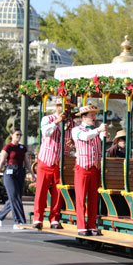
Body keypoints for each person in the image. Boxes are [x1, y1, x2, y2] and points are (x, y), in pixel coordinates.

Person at [33, 97, 75, 230]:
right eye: (63, 106)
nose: (66, 109)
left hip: (62, 161)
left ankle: (54, 219)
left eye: (68, 106)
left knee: (58, 191)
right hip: (46, 159)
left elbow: (74, 137)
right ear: (57, 107)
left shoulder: (71, 123)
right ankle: (38, 218)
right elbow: (46, 132)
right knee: (41, 190)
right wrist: (57, 122)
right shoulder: (48, 119)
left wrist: (73, 143)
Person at [72, 104, 108, 236]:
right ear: (84, 117)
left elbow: (100, 141)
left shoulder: (95, 130)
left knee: (93, 198)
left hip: (95, 167)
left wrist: (104, 134)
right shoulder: (76, 130)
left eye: (94, 114)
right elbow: (85, 137)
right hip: (82, 167)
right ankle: (81, 226)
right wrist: (99, 130)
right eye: (91, 115)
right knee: (81, 198)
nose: (94, 117)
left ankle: (92, 225)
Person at [0, 129, 28, 230]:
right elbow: (2, 162)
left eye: (20, 135)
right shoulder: (7, 147)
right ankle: (19, 222)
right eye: (17, 134)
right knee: (15, 197)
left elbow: (27, 162)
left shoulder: (23, 148)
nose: (19, 136)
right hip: (10, 173)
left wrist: (33, 174)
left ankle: (0, 215)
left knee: (16, 198)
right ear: (11, 135)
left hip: (20, 172)